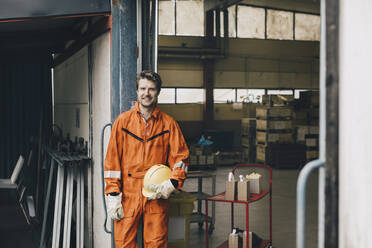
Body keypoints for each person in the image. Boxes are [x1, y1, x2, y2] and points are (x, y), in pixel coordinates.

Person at [104, 70, 189, 248]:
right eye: (143, 88)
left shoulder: (168, 124)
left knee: (156, 243)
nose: (146, 93)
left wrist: (172, 184)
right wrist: (113, 195)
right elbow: (112, 161)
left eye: (151, 89)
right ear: (137, 91)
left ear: (158, 92)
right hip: (128, 193)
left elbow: (181, 158)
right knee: (124, 243)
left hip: (157, 191)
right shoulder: (123, 122)